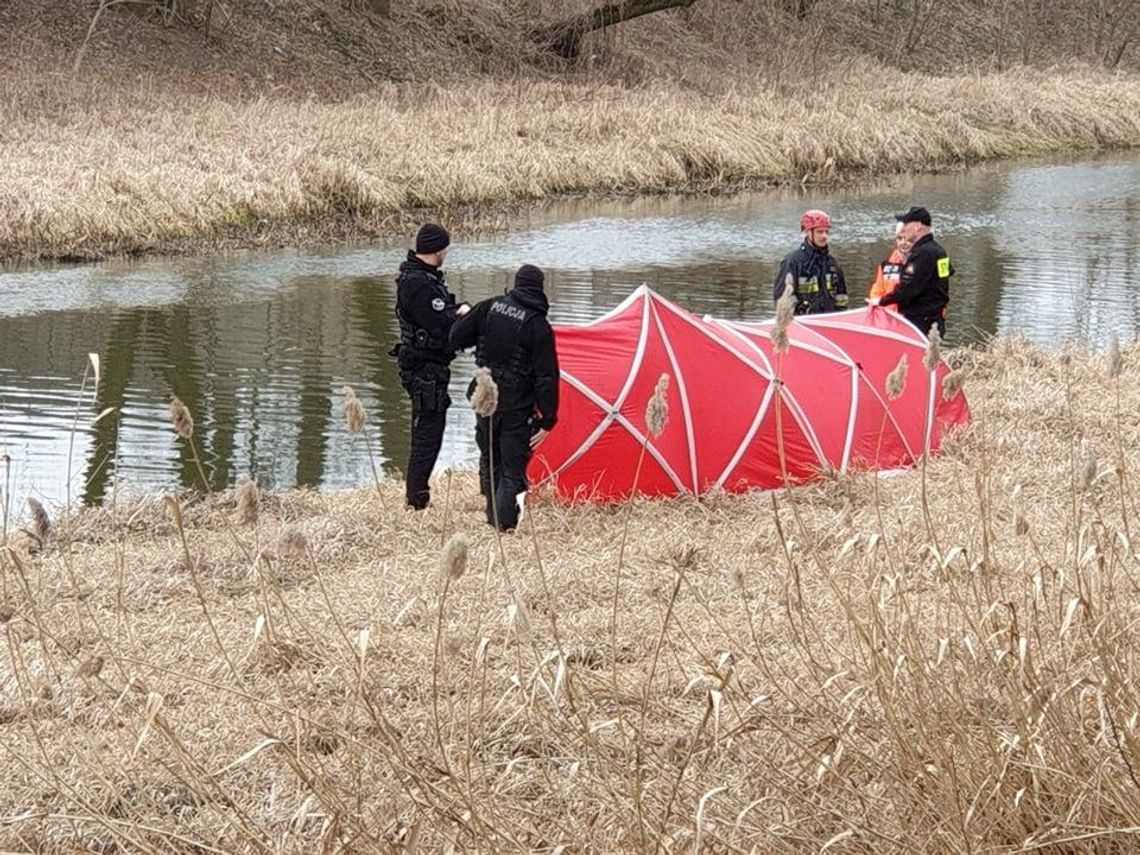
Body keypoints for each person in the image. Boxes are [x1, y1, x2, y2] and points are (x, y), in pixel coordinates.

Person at [449, 264, 559, 531]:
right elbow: (547, 377)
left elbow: (455, 337)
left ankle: (492, 519)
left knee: (489, 458)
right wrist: (548, 420)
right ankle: (504, 527)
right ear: (539, 289)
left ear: (516, 284)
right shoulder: (538, 325)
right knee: (512, 468)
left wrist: (472, 325)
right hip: (516, 405)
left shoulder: (488, 307)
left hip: (484, 398)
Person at [392, 223, 470, 510]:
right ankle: (417, 502)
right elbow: (441, 325)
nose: (447, 253)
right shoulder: (419, 283)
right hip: (424, 368)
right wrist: (461, 316)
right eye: (445, 248)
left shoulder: (422, 277)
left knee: (430, 432)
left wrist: (457, 311)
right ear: (437, 249)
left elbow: (440, 315)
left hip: (430, 366)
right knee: (427, 434)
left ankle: (418, 496)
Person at [878, 206, 952, 336]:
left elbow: (908, 289)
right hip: (936, 317)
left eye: (906, 223)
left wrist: (881, 301)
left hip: (921, 320)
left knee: (917, 356)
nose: (904, 227)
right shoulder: (939, 251)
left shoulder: (922, 253)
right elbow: (945, 278)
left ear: (918, 226)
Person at [772, 209, 848, 315]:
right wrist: (799, 313)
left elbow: (842, 298)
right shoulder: (793, 262)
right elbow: (781, 297)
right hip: (801, 324)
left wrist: (840, 317)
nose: (824, 236)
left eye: (826, 232)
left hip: (829, 322)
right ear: (807, 232)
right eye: (819, 232)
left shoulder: (832, 264)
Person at [867, 221, 912, 310]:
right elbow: (876, 292)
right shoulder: (886, 266)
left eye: (907, 239)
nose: (903, 242)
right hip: (888, 318)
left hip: (912, 319)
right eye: (899, 238)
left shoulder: (922, 262)